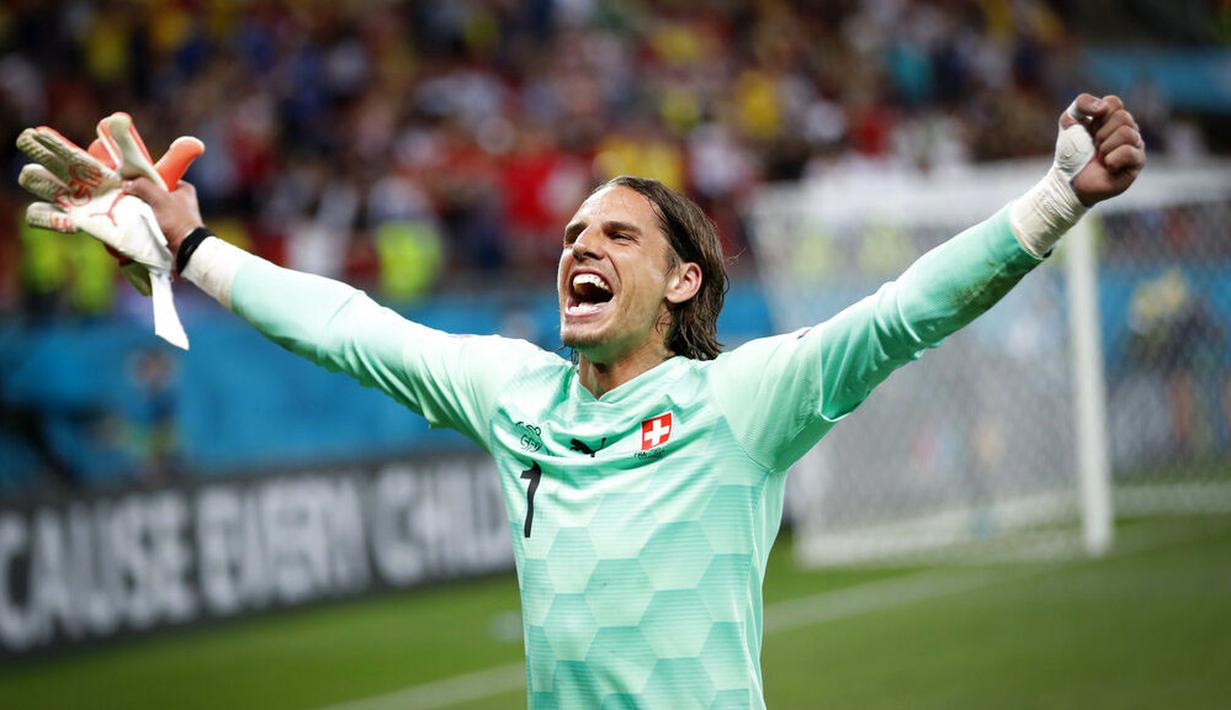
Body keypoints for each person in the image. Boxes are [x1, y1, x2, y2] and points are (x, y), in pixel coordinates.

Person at [50, 93, 1146, 707]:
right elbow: (353, 328)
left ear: (681, 283)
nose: (582, 243)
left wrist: (1055, 200)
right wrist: (191, 244)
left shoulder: (741, 401)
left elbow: (902, 312)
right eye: (575, 232)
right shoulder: (513, 392)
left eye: (617, 233)